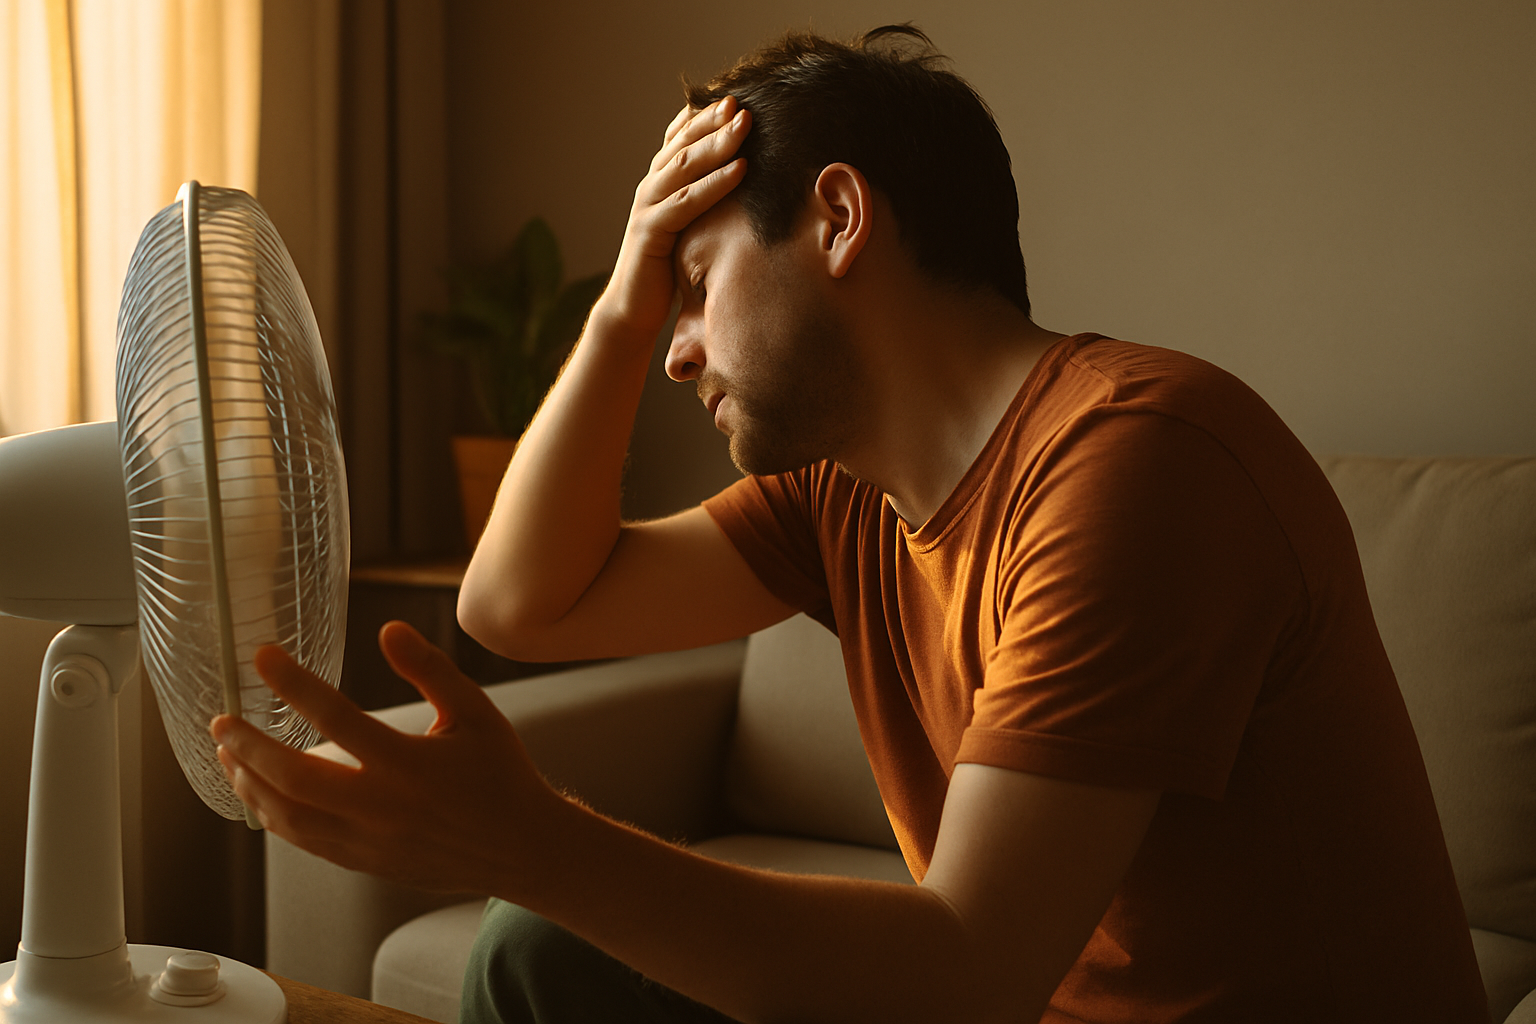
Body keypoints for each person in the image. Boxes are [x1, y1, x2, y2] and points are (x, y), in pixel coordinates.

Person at [212, 25, 1490, 1024]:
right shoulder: (847, 493)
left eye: (694, 284)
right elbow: (518, 607)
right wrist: (620, 305)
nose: (676, 351)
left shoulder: (1139, 459)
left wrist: (526, 838)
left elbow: (971, 966)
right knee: (544, 955)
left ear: (838, 219)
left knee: (548, 919)